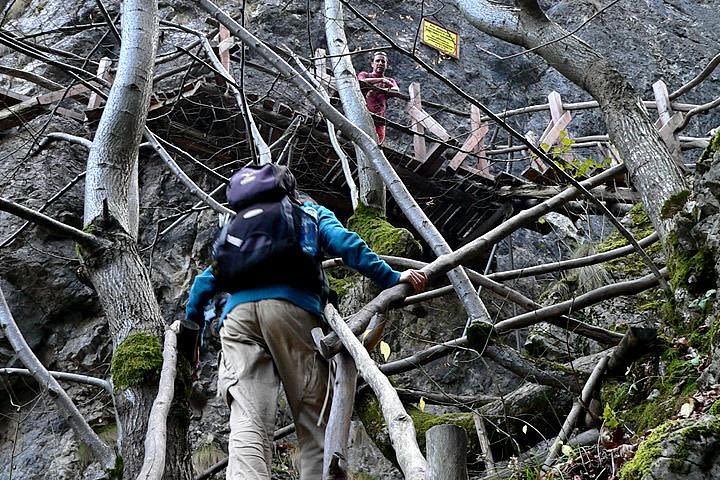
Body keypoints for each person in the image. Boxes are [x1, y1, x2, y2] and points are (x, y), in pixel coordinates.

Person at [185, 175, 427, 480]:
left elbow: (204, 283)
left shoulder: (240, 229)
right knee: (314, 425)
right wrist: (392, 277)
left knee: (248, 425)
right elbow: (345, 244)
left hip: (237, 321)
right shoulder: (309, 211)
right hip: (293, 311)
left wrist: (191, 337)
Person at [358, 51, 399, 144]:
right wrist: (381, 80)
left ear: (386, 65)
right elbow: (361, 81)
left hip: (379, 121)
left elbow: (396, 90)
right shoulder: (365, 74)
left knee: (377, 145)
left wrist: (386, 84)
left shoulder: (390, 80)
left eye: (383, 61)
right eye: (377, 61)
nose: (380, 63)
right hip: (363, 116)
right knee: (361, 143)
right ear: (372, 64)